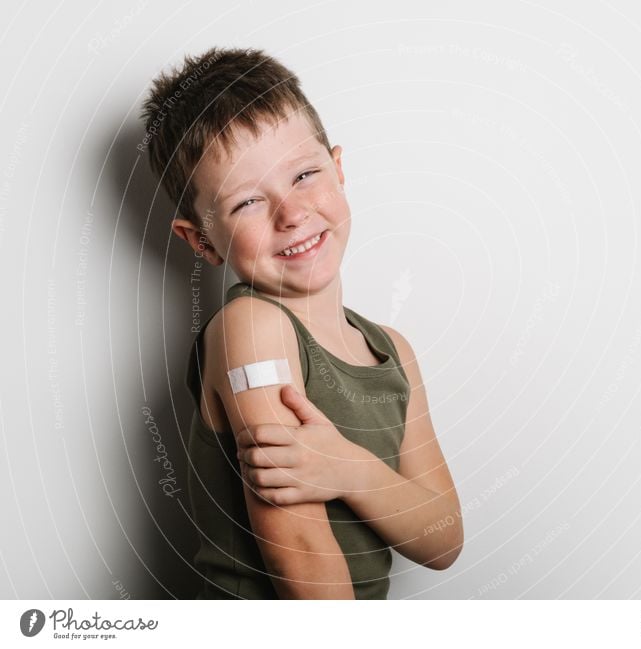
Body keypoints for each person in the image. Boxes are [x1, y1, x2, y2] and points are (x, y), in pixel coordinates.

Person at [140, 47, 463, 599]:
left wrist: (348, 467)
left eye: (305, 175)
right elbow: (304, 556)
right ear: (201, 240)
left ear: (338, 169)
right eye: (246, 204)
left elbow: (443, 540)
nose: (291, 214)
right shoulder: (252, 330)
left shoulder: (393, 353)